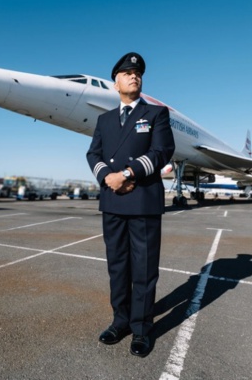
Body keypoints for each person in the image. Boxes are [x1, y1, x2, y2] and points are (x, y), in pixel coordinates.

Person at [86, 52, 175, 357]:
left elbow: (163, 151)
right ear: (116, 83)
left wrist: (126, 173)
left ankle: (141, 329)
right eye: (127, 73)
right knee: (118, 267)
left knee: (144, 269)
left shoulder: (155, 115)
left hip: (143, 201)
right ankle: (120, 321)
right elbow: (93, 155)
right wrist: (108, 178)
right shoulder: (104, 119)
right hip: (112, 201)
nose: (133, 76)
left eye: (137, 73)